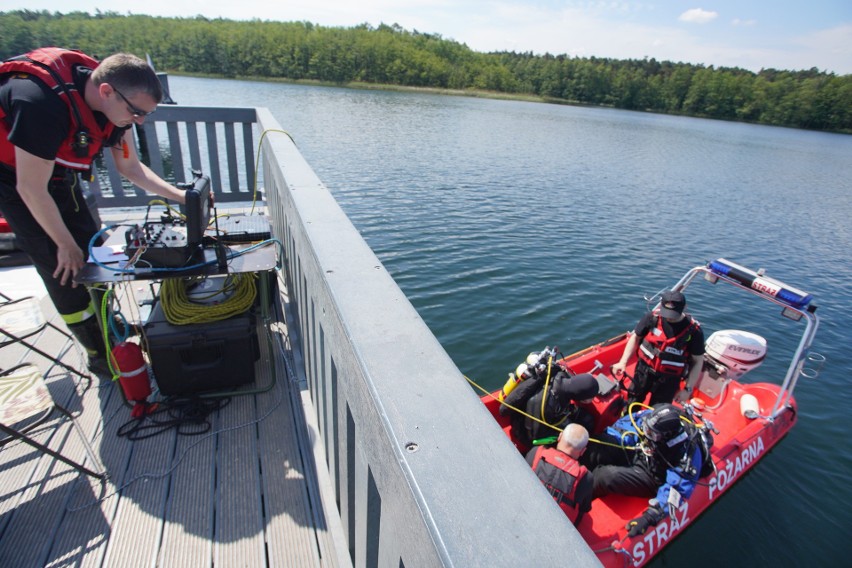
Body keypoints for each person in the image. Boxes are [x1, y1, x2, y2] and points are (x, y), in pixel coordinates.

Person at [0, 47, 186, 373]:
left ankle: (106, 323)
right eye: (136, 112)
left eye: (146, 114)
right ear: (106, 91)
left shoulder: (115, 105)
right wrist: (64, 244)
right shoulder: (38, 104)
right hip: (15, 178)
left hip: (58, 172)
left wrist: (182, 197)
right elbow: (30, 188)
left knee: (93, 253)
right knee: (64, 271)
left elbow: (131, 167)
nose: (140, 121)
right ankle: (97, 350)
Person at [584, 403, 704, 538]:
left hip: (653, 475)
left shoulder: (686, 453)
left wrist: (649, 517)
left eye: (651, 433)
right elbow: (631, 423)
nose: (647, 433)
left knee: (605, 476)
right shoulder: (652, 419)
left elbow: (677, 490)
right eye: (647, 430)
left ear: (667, 435)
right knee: (596, 447)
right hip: (640, 452)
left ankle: (580, 500)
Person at [611, 290, 705, 405]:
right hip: (643, 370)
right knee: (633, 399)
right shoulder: (652, 318)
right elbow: (635, 338)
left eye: (673, 314)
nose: (669, 318)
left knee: (659, 408)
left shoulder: (694, 332)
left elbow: (698, 361)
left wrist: (687, 389)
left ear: (684, 307)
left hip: (669, 378)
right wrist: (623, 362)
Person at [501, 370, 598, 447]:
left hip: (535, 414)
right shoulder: (546, 404)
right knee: (583, 426)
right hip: (526, 432)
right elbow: (535, 437)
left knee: (585, 418)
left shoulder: (559, 374)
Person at [525, 423, 594, 526]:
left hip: (525, 510)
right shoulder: (586, 477)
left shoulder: (536, 452)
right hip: (555, 529)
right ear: (583, 451)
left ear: (560, 437)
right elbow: (585, 508)